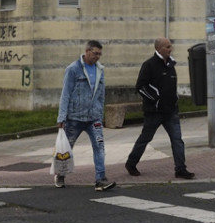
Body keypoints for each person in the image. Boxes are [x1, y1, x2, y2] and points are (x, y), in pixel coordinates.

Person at [125, 37, 195, 179]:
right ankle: (131, 163)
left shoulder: (171, 64)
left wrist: (175, 99)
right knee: (145, 138)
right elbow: (140, 87)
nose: (171, 49)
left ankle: (180, 169)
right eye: (167, 47)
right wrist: (155, 99)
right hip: (154, 112)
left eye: (171, 46)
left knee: (177, 140)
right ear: (159, 48)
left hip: (171, 111)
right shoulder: (149, 65)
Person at [56, 40, 116, 191]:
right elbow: (65, 94)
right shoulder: (73, 69)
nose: (97, 57)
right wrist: (61, 117)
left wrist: (100, 114)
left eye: (100, 54)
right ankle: (60, 175)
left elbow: (101, 95)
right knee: (67, 147)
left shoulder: (99, 70)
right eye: (95, 53)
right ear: (87, 51)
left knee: (99, 146)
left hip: (93, 118)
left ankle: (100, 179)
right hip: (74, 117)